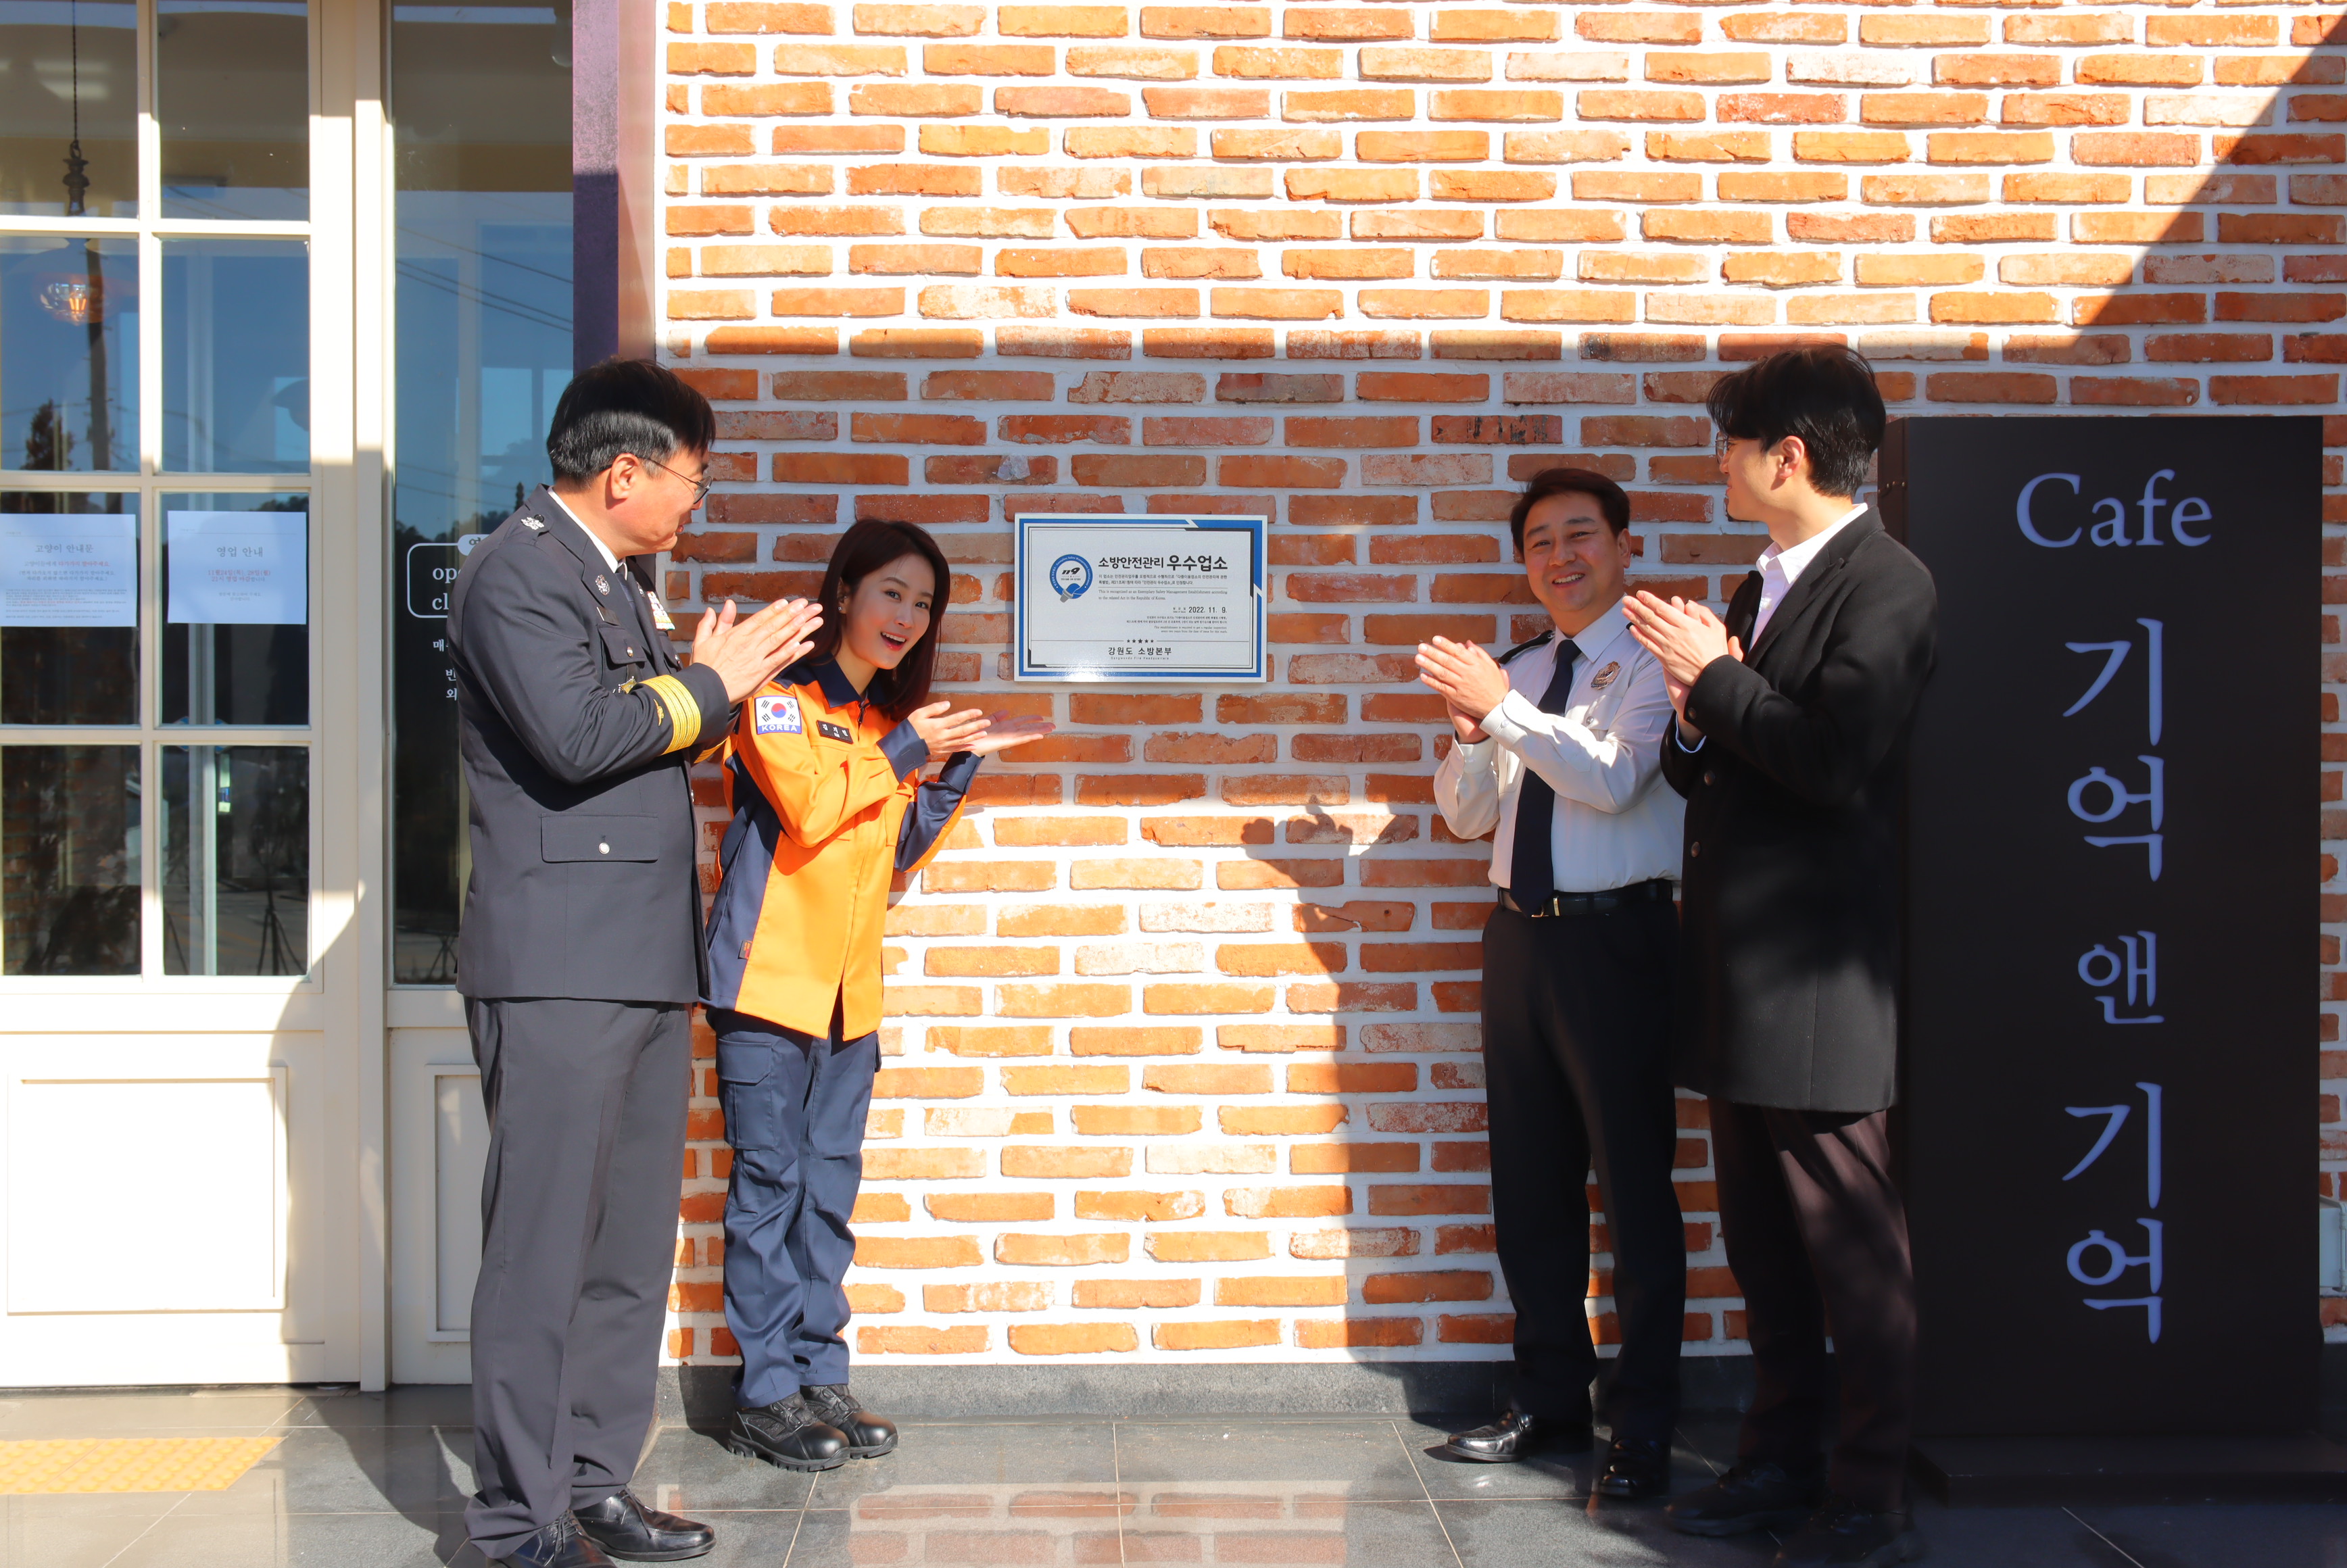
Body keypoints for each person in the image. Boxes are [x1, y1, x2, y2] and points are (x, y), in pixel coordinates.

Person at [448, 358, 823, 1568]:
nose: (696, 504)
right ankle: (519, 1520)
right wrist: (711, 682)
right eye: (693, 480)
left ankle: (594, 1482)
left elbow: (636, 732)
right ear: (625, 473)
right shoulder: (517, 573)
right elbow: (577, 739)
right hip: (560, 965)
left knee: (623, 1249)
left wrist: (702, 687)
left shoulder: (609, 579)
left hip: (643, 959)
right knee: (544, 1252)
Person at [1621, 345, 1937, 1568]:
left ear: (1787, 456)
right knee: (1763, 1247)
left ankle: (1869, 1494)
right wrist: (1694, 702)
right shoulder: (1755, 587)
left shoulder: (1888, 584)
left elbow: (1832, 759)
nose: (1721, 465)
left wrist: (1716, 678)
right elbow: (1709, 766)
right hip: (1737, 975)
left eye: (1732, 444)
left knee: (1851, 1251)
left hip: (1816, 980)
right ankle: (1776, 1461)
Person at [702, 518, 1054, 1472]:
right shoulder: (778, 700)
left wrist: (957, 768)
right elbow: (812, 809)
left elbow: (892, 854)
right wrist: (908, 747)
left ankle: (819, 1376)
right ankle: (764, 1394)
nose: (907, 616)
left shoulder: (878, 728)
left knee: (827, 1194)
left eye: (924, 603)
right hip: (770, 991)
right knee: (770, 1190)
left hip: (849, 1000)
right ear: (845, 594)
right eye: (892, 592)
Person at [1416, 468, 1689, 1501]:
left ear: (1622, 546)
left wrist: (1505, 711)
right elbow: (1469, 818)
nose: (1560, 556)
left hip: (1619, 942)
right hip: (1519, 940)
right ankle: (1550, 1399)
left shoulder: (1657, 661)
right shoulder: (1522, 667)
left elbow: (1615, 781)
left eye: (1580, 535)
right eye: (1539, 541)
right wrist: (1472, 732)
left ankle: (1646, 1423)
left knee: (1633, 1185)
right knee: (1529, 1184)